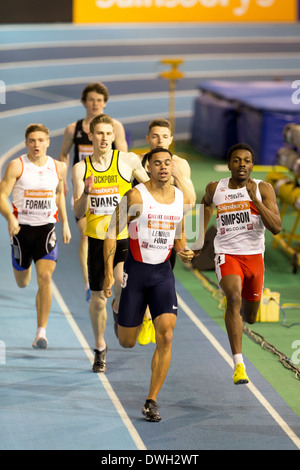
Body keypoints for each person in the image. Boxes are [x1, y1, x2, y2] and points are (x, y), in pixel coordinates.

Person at [103, 147, 194, 422]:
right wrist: (109, 274)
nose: (164, 167)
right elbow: (110, 233)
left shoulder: (182, 198)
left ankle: (151, 400)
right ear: (148, 168)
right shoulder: (135, 196)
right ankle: (120, 312)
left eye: (168, 163)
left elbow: (178, 236)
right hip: (137, 273)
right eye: (158, 163)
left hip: (163, 275)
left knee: (166, 335)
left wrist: (183, 250)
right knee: (127, 342)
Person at [199, 143, 281, 385]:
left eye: (246, 160)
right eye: (237, 160)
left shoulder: (263, 189)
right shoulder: (216, 187)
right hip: (227, 254)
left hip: (254, 257)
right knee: (233, 298)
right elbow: (205, 203)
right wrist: (197, 241)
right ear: (229, 165)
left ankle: (238, 317)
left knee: (251, 316)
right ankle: (238, 364)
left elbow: (276, 227)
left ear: (252, 166)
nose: (242, 164)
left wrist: (255, 201)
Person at [72, 113, 149, 373]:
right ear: (91, 136)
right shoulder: (81, 169)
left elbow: (151, 191)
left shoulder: (127, 161)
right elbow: (78, 211)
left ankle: (120, 307)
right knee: (97, 301)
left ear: (114, 136)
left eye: (108, 133)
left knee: (121, 285)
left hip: (123, 237)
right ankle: (100, 348)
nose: (104, 138)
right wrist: (88, 192)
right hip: (96, 241)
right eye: (99, 134)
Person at [0, 124, 71, 348]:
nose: (36, 144)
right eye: (32, 140)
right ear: (26, 143)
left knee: (46, 278)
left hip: (46, 229)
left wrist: (66, 223)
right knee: (23, 282)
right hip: (21, 231)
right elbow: (2, 195)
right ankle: (23, 268)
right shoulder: (16, 166)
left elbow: (59, 194)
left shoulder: (59, 167)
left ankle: (41, 332)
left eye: (41, 140)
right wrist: (11, 218)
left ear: (48, 142)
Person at [59, 82, 128, 302]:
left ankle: (111, 277)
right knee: (86, 236)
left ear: (105, 103)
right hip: (85, 187)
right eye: (91, 99)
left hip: (110, 188)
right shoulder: (74, 129)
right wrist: (64, 181)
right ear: (84, 102)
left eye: (99, 100)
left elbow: (124, 154)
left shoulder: (114, 127)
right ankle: (89, 283)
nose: (95, 103)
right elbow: (63, 155)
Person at [137, 118, 196, 345]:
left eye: (164, 136)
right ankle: (137, 313)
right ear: (148, 139)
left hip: (165, 230)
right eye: (155, 136)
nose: (159, 140)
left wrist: (177, 175)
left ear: (171, 139)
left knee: (159, 275)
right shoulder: (138, 162)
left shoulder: (179, 164)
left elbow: (190, 202)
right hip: (140, 229)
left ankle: (149, 317)